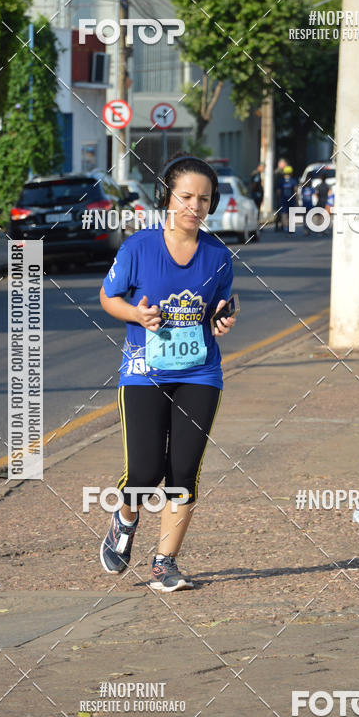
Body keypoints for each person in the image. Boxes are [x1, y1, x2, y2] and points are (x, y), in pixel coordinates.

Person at [98, 155, 236, 592]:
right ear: (167, 197)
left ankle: (164, 563)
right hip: (143, 372)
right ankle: (124, 518)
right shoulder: (138, 247)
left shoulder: (218, 255)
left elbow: (223, 304)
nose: (194, 206)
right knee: (143, 470)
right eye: (186, 196)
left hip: (200, 374)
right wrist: (137, 317)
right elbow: (108, 297)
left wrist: (224, 317)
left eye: (204, 199)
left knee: (183, 468)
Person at [276, 164, 298, 232]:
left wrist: (279, 198)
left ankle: (285, 228)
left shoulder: (281, 181)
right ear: (291, 172)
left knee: (284, 213)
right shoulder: (293, 181)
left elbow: (278, 191)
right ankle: (290, 227)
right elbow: (295, 190)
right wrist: (296, 199)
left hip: (283, 199)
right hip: (291, 200)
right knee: (291, 213)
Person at [273, 158, 288, 231]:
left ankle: (281, 225)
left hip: (282, 193)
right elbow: (277, 184)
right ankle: (277, 225)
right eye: (284, 164)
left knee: (282, 209)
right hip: (279, 193)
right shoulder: (278, 172)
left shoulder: (282, 172)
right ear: (280, 164)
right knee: (279, 209)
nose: (286, 165)